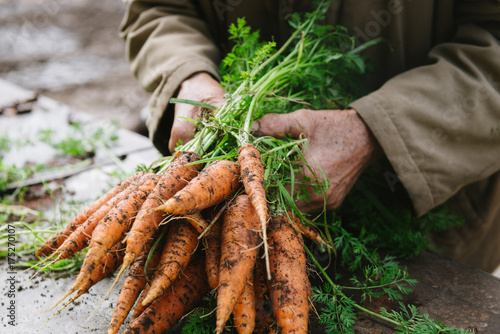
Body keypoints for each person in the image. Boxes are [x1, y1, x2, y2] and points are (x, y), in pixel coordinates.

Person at [120, 0, 500, 272]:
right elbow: (160, 8)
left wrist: (375, 129)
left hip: (421, 219)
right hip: (217, 215)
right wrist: (188, 74)